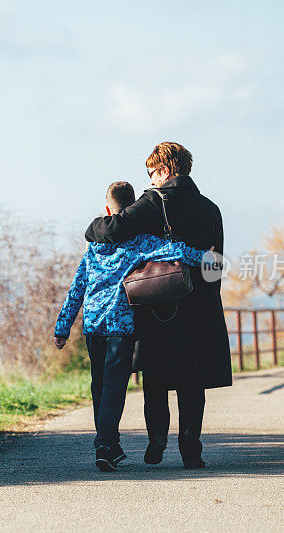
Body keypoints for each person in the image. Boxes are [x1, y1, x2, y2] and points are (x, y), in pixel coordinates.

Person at [84, 142, 232, 470]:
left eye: (152, 173)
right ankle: (191, 449)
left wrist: (92, 226)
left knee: (156, 377)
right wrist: (205, 298)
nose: (150, 180)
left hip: (160, 307)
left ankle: (158, 441)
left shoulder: (153, 201)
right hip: (200, 308)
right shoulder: (211, 208)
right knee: (193, 382)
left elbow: (114, 229)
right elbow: (215, 264)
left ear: (164, 170)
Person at [53, 181, 207, 472]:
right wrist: (207, 256)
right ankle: (106, 444)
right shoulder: (140, 241)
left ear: (107, 210)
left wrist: (62, 328)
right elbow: (176, 252)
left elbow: (77, 288)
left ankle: (107, 442)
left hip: (92, 325)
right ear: (134, 208)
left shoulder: (93, 246)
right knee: (113, 386)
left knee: (98, 385)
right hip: (120, 327)